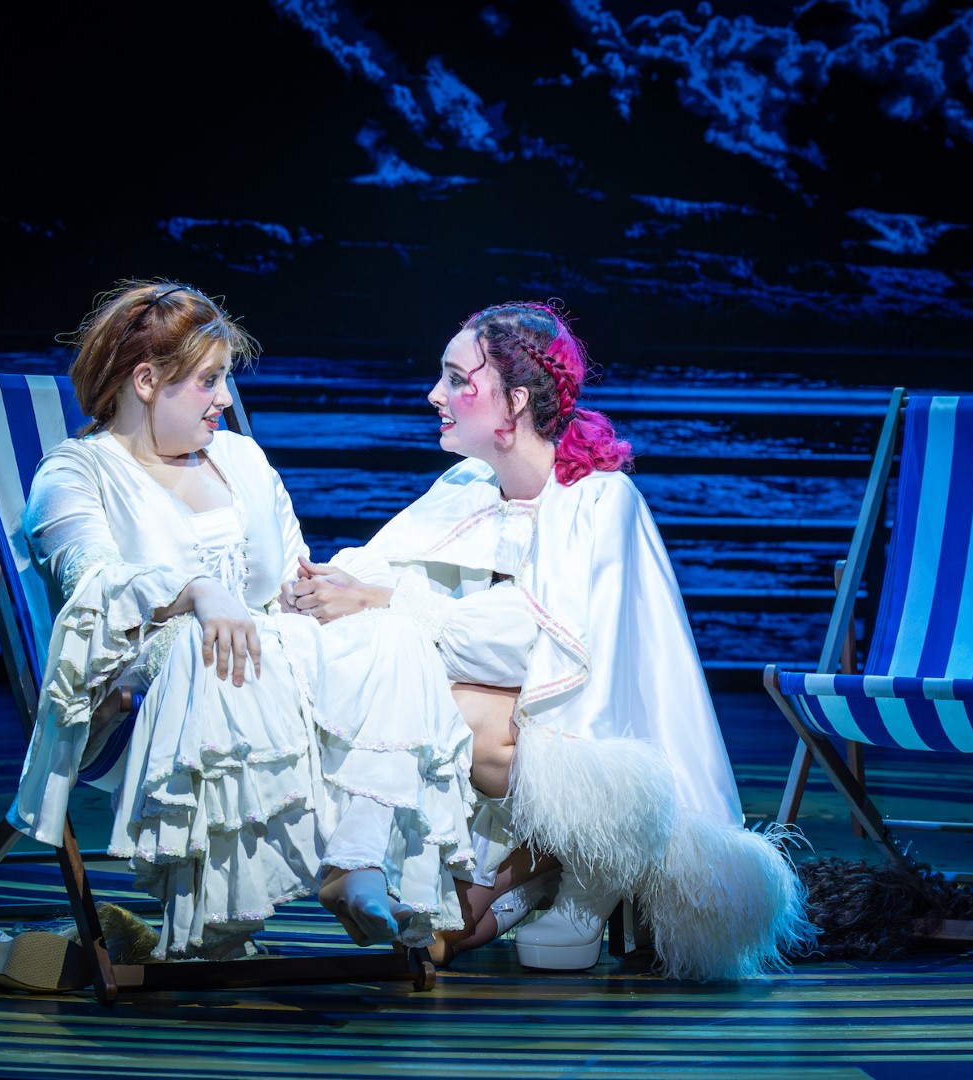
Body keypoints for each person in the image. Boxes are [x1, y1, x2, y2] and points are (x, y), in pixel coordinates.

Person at [290, 300, 815, 980]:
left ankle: (587, 863)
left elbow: (535, 644)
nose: (435, 395)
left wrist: (386, 603)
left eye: (456, 378)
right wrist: (318, 584)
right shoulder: (467, 486)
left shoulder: (598, 500)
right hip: (504, 756)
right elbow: (386, 565)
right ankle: (534, 870)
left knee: (437, 707)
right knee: (436, 938)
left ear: (512, 400)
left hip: (569, 747)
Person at [4, 278, 480, 964]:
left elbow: (286, 572)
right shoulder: (77, 476)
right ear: (145, 380)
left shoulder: (242, 460)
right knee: (211, 642)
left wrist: (319, 597)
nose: (225, 398)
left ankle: (355, 856)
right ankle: (218, 920)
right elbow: (95, 586)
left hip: (264, 662)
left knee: (390, 632)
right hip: (136, 698)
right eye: (208, 381)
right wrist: (198, 590)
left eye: (223, 379)